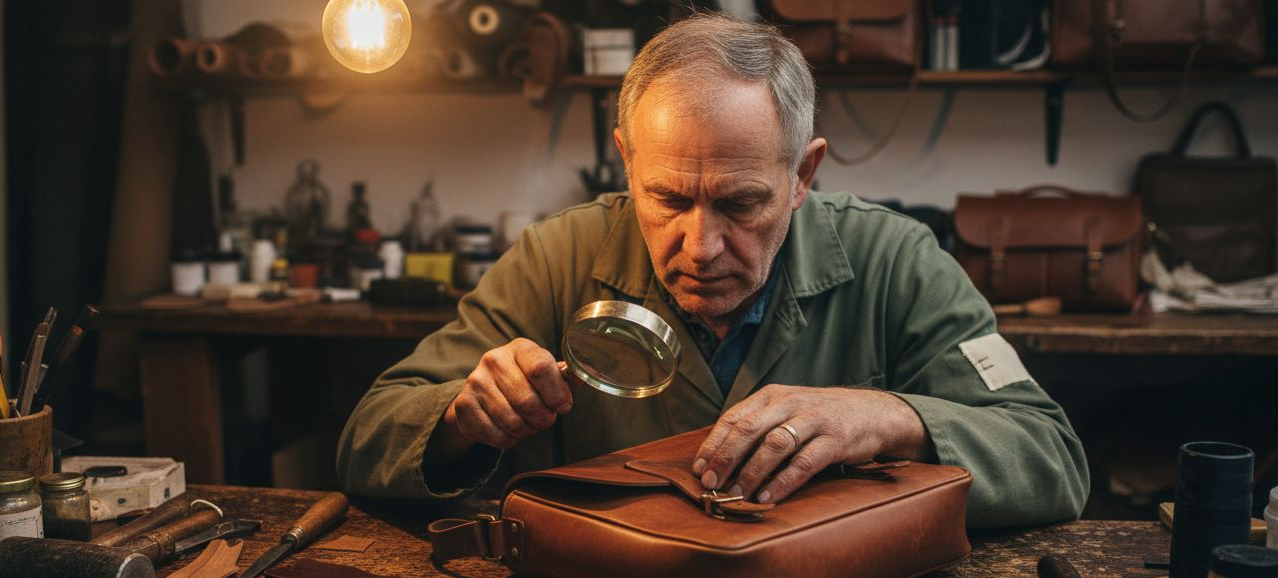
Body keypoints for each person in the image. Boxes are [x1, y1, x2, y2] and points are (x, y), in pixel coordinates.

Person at [337, 13, 1089, 527]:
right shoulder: (555, 257)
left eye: (741, 203)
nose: (699, 247)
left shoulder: (895, 260)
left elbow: (1050, 457)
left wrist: (889, 418)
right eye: (667, 198)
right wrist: (460, 421)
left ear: (803, 174)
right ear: (626, 160)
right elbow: (367, 436)